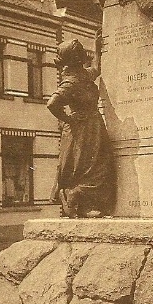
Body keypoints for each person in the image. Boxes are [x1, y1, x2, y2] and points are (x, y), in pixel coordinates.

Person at [47, 32, 115, 218]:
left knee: (98, 164)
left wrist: (97, 46)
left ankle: (83, 203)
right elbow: (52, 103)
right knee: (87, 166)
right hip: (80, 129)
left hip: (93, 126)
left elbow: (97, 67)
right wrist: (68, 119)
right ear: (75, 60)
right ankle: (74, 196)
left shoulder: (84, 75)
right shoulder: (70, 82)